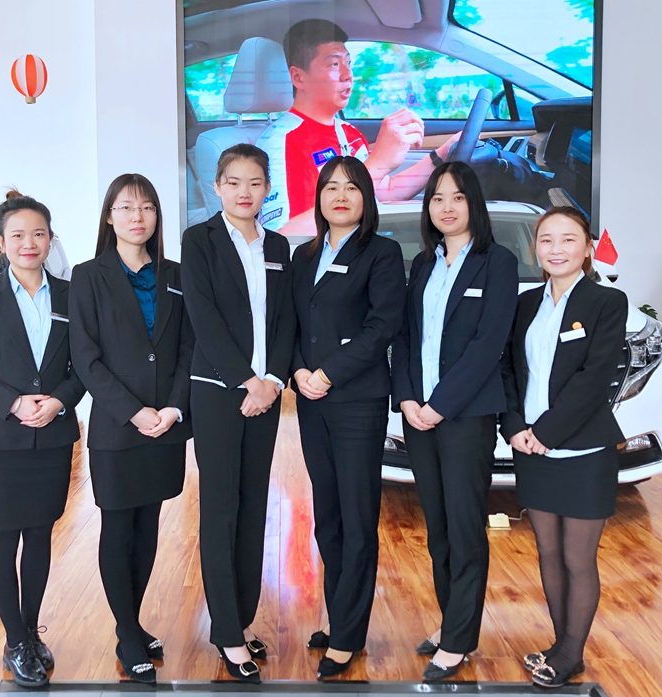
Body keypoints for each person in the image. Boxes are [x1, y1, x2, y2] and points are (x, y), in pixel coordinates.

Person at [0, 190, 86, 689]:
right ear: (1, 243)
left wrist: (59, 401)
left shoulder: (71, 295)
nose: (29, 243)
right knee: (3, 542)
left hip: (51, 437)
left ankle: (30, 631)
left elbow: (85, 365)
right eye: (18, 235)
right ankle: (15, 641)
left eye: (39, 234)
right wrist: (12, 402)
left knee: (41, 538)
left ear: (50, 240)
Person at [389, 161, 518, 682]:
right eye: (437, 198)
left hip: (464, 416)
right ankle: (450, 623)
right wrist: (407, 399)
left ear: (473, 204)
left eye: (457, 197)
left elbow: (488, 346)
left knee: (465, 528)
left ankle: (459, 640)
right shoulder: (423, 264)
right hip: (418, 415)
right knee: (438, 528)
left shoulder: (497, 262)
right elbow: (405, 337)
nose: (446, 207)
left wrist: (440, 404)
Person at [68, 174, 194, 684]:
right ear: (109, 216)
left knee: (148, 530)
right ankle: (125, 632)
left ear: (157, 216)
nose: (137, 217)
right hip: (119, 429)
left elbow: (188, 347)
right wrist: (134, 411)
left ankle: (135, 624)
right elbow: (86, 357)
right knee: (119, 529)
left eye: (146, 207)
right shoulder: (88, 276)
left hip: (166, 425)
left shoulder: (175, 274)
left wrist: (173, 408)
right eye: (126, 207)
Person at [499, 206, 628, 688]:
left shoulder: (606, 302)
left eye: (568, 239)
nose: (556, 249)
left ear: (588, 247)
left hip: (582, 451)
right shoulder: (525, 303)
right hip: (531, 448)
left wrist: (545, 433)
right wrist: (515, 427)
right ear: (535, 248)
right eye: (546, 240)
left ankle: (572, 653)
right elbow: (509, 369)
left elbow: (594, 379)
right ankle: (559, 645)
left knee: (577, 558)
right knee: (548, 554)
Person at [180, 143, 295, 684]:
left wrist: (272, 381)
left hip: (265, 394)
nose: (244, 192)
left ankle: (242, 621)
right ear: (217, 187)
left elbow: (286, 320)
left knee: (254, 507)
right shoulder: (198, 240)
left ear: (267, 188)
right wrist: (246, 379)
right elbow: (202, 317)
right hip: (218, 391)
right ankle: (226, 631)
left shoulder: (278, 245)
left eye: (254, 182)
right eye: (233, 182)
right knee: (221, 508)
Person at [290, 156, 405, 679]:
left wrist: (328, 373)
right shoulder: (304, 254)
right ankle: (340, 619)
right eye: (331, 187)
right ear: (318, 197)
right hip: (311, 400)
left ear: (367, 198)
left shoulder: (381, 252)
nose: (340, 196)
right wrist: (298, 371)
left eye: (352, 187)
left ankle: (349, 635)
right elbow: (291, 324)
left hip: (356, 399)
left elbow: (382, 326)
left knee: (358, 518)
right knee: (328, 516)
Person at [255, 18, 460, 234]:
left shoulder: (348, 132)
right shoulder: (281, 142)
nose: (348, 75)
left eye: (348, 63)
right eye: (334, 65)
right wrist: (377, 163)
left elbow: (383, 191)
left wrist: (441, 155)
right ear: (298, 77)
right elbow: (282, 237)